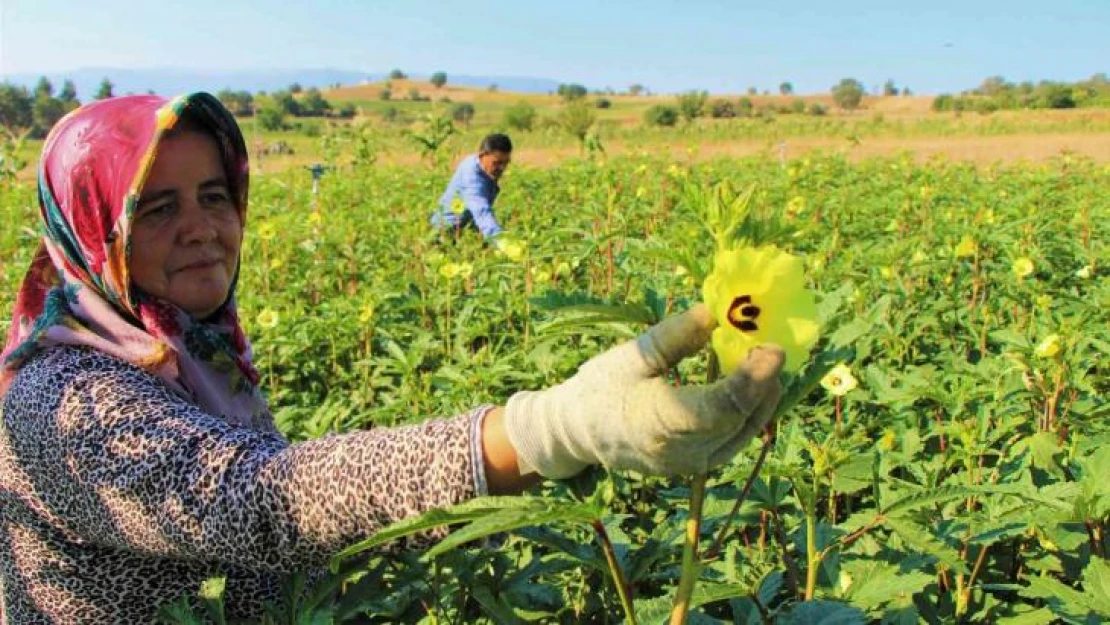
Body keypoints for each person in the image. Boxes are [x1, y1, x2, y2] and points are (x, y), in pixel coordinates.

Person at [0, 93, 785, 622]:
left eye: (214, 195)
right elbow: (256, 501)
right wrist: (553, 427)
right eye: (158, 207)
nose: (203, 226)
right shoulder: (62, 401)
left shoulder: (190, 350)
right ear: (92, 230)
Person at [430, 133, 512, 241]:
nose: (502, 168)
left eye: (506, 162)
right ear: (482, 155)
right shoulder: (472, 176)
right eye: (497, 163)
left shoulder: (485, 168)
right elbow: (481, 210)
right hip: (446, 232)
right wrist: (501, 240)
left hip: (466, 228)